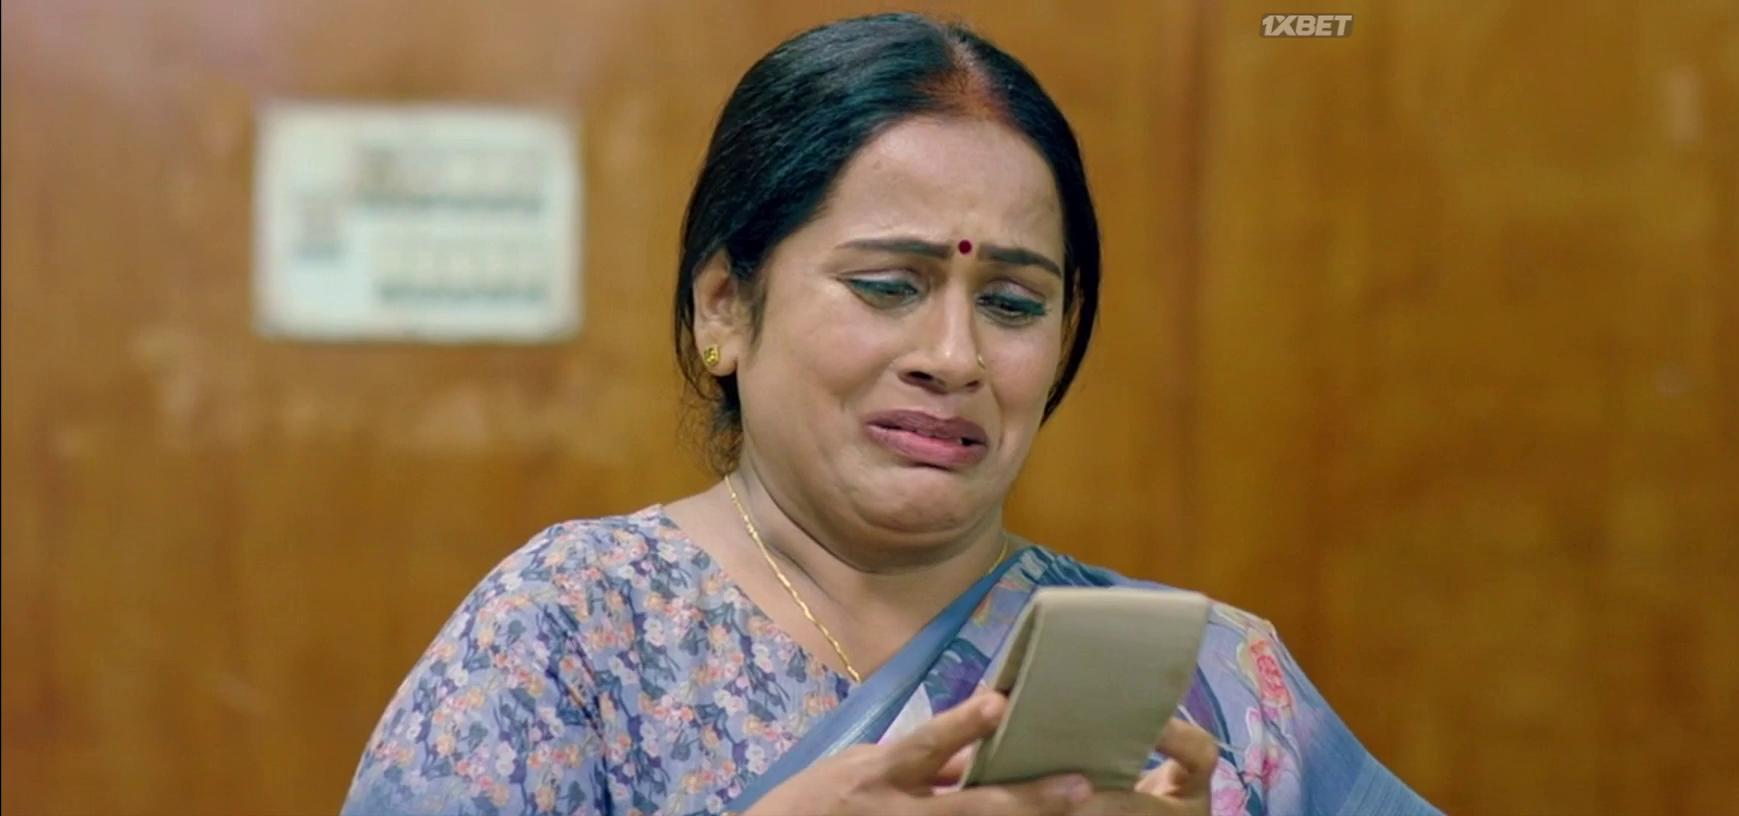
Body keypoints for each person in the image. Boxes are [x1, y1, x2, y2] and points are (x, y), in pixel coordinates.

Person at [342, 12, 1437, 816]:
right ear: (724, 305)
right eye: (887, 286)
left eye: (1013, 303)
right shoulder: (568, 636)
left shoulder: (1213, 689)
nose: (954, 358)